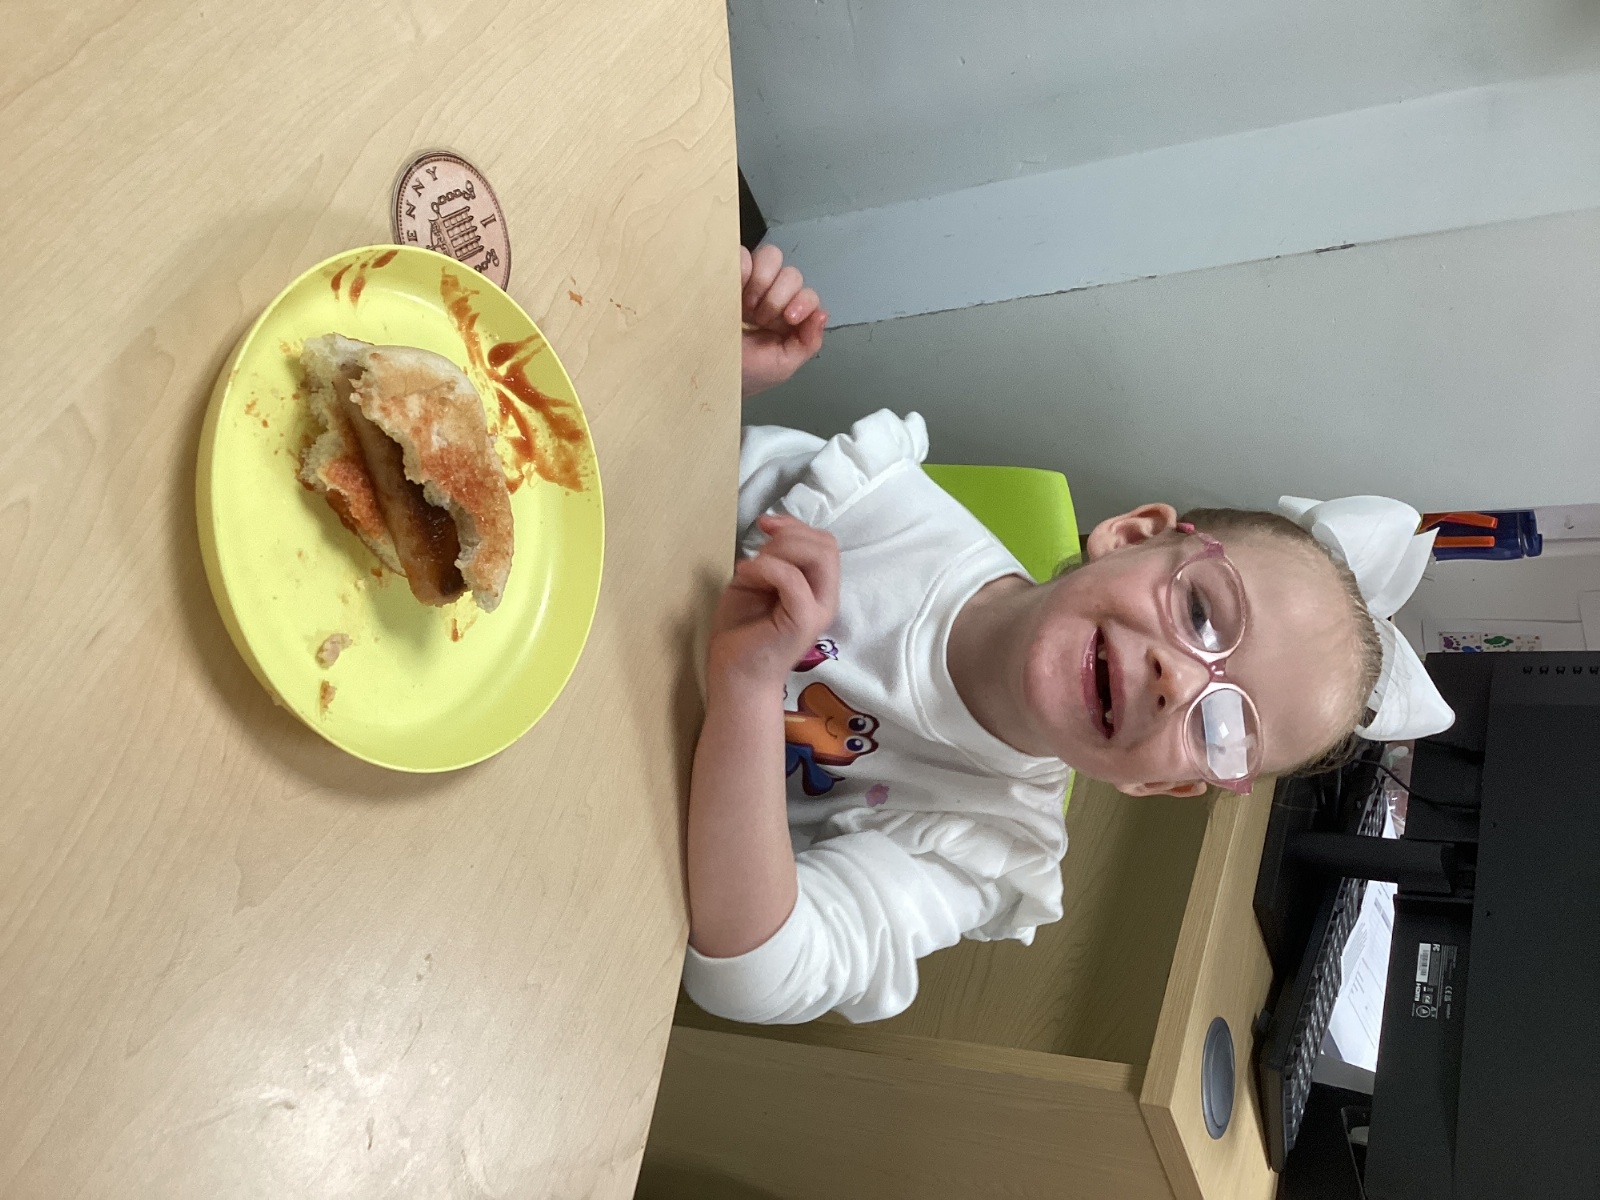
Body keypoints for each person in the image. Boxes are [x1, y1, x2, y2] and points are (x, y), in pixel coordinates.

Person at [684, 245, 1454, 1025]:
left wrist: (748, 690)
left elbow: (755, 978)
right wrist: (711, 373)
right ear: (1130, 535)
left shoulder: (986, 844)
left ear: (1164, 785)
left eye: (1223, 727)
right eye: (1201, 613)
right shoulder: (869, 507)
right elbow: (648, 471)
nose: (1182, 681)